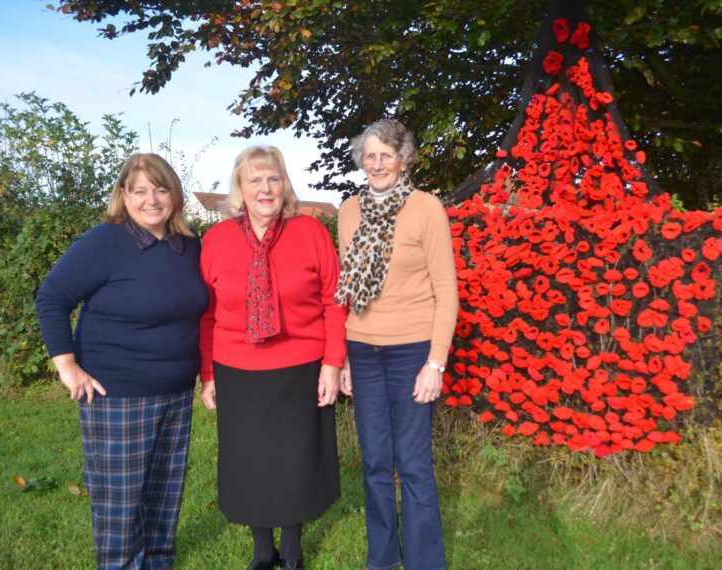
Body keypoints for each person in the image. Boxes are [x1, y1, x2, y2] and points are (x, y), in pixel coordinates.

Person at [36, 153, 208, 569]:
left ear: (175, 195)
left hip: (176, 391)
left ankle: (158, 562)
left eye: (161, 189)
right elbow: (52, 298)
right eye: (140, 191)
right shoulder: (103, 242)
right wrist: (67, 366)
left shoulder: (189, 246)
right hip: (117, 393)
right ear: (123, 196)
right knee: (120, 502)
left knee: (164, 494)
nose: (152, 200)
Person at [199, 145, 346, 570]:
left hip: (300, 367)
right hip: (237, 370)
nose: (265, 188)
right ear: (240, 189)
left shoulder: (311, 232)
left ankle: (294, 552)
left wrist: (332, 363)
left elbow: (335, 301)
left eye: (273, 179)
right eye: (255, 180)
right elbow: (206, 313)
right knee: (251, 463)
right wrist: (207, 373)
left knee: (296, 461)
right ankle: (263, 552)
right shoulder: (217, 239)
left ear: (284, 185)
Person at [336, 119, 459, 570]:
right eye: (370, 155)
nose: (378, 163)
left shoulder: (427, 208)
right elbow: (346, 290)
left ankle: (426, 562)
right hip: (362, 350)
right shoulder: (348, 210)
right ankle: (383, 559)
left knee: (412, 463)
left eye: (386, 154)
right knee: (373, 462)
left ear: (404, 159)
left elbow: (446, 289)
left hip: (412, 349)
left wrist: (436, 362)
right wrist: (344, 358)